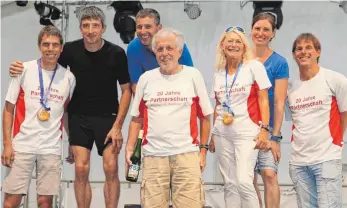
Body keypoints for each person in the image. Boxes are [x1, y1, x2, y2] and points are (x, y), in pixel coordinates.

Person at [8, 6, 131, 208]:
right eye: (85, 26)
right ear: (80, 28)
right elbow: (47, 64)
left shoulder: (116, 53)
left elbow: (126, 90)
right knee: (81, 169)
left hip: (108, 118)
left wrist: (118, 125)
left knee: (111, 168)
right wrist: (19, 67)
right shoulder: (70, 51)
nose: (90, 30)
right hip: (78, 118)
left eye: (95, 26)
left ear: (103, 28)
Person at [125, 28, 213, 208]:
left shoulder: (193, 76)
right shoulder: (146, 79)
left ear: (180, 51)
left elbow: (205, 117)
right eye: (160, 49)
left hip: (187, 156)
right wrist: (129, 148)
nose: (164, 54)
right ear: (155, 53)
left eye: (169, 48)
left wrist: (202, 151)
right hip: (153, 158)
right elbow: (136, 119)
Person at [1, 25, 75, 208]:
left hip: (51, 148)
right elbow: (8, 109)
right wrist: (7, 145)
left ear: (61, 48)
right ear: (39, 46)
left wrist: (72, 141)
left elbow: (65, 113)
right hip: (22, 145)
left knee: (45, 202)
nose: (51, 49)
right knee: (11, 201)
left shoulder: (68, 78)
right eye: (46, 44)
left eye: (55, 45)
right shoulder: (23, 70)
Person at [209, 26, 271, 208]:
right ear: (222, 45)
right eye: (230, 41)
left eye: (238, 42)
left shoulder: (254, 67)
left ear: (244, 47)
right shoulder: (218, 72)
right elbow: (218, 105)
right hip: (222, 133)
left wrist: (264, 130)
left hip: (247, 133)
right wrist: (213, 133)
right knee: (229, 183)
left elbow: (264, 100)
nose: (234, 45)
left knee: (244, 181)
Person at [287, 33, 347, 208]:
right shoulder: (292, 88)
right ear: (293, 55)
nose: (303, 52)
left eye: (308, 48)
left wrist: (335, 141)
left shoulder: (335, 79)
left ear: (318, 52)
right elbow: (295, 121)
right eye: (299, 48)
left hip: (326, 159)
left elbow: (345, 113)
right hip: (298, 163)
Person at [251, 13, 289, 208]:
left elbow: (279, 103)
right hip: (245, 130)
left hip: (269, 130)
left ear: (273, 33)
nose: (261, 33)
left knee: (269, 174)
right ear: (251, 30)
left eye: (266, 29)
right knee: (248, 180)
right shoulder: (242, 60)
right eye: (257, 28)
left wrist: (275, 138)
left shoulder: (279, 63)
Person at [126, 8, 194, 94]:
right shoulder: (133, 48)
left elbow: (190, 78)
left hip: (179, 95)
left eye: (148, 27)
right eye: (139, 27)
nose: (143, 31)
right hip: (151, 100)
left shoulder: (178, 44)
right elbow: (136, 86)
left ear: (159, 28)